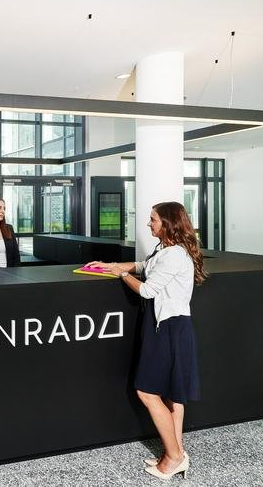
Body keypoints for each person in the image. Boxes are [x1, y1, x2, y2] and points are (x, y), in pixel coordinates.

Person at [86, 201, 206, 480]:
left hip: (170, 329)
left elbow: (148, 290)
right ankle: (175, 453)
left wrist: (122, 274)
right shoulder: (164, 249)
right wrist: (112, 265)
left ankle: (175, 456)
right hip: (167, 328)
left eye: (152, 219)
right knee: (172, 394)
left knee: (148, 393)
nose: (148, 224)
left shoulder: (175, 254)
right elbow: (145, 265)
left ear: (167, 223)